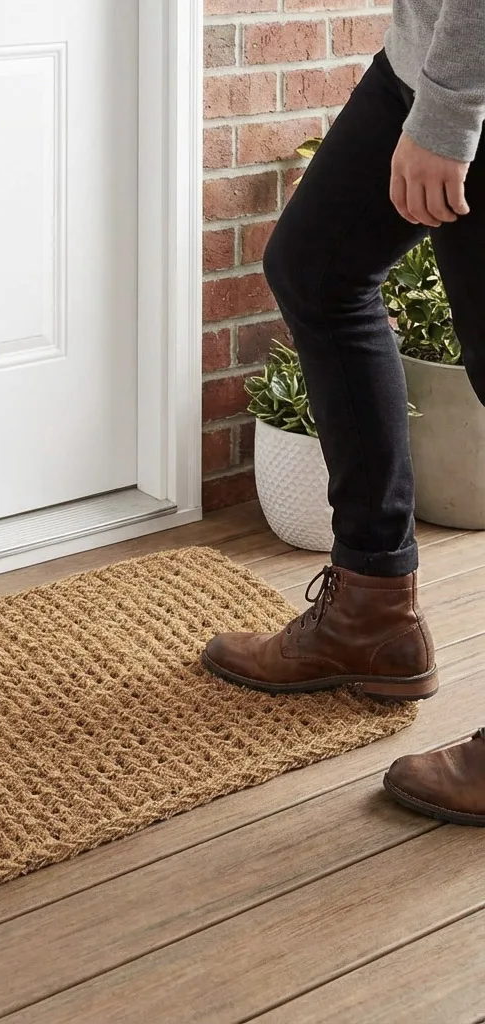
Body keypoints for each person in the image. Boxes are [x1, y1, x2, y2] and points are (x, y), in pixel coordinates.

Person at [202, 0, 485, 827]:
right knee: (317, 268)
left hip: (466, 77)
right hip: (425, 57)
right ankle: (371, 611)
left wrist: (451, 113)